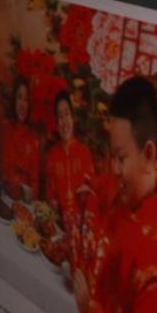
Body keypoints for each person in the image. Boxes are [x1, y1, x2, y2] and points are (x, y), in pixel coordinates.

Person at [74, 76, 157, 313]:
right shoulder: (122, 198)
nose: (115, 169)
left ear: (149, 154)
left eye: (121, 158)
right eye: (113, 156)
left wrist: (91, 311)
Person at [44, 90, 95, 229]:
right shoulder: (52, 156)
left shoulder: (84, 153)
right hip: (60, 228)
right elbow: (51, 198)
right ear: (56, 123)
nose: (64, 121)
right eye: (60, 116)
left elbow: (92, 198)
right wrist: (53, 209)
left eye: (67, 114)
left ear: (72, 117)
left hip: (82, 229)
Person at [0, 76, 41, 201]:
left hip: (23, 206)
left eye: (26, 99)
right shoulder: (5, 130)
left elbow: (35, 182)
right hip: (3, 198)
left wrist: (28, 200)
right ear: (14, 101)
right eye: (19, 97)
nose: (22, 104)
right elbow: (1, 171)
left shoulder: (32, 140)